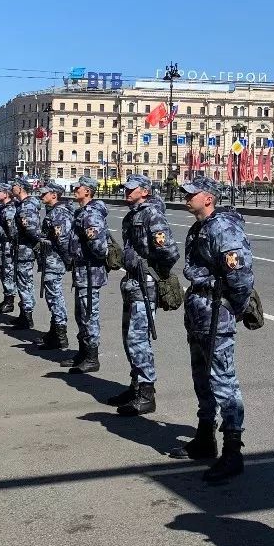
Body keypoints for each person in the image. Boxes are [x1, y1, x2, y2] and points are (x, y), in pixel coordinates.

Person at [173, 174, 254, 482]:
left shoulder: (222, 227)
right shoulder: (200, 227)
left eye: (191, 193)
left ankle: (233, 451)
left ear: (208, 197)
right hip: (199, 311)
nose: (186, 197)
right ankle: (205, 437)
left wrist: (233, 307)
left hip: (215, 310)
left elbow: (241, 275)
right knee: (201, 376)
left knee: (223, 379)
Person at [111, 174, 180, 416]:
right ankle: (135, 385)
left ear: (145, 191)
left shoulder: (152, 214)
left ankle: (146, 393)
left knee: (138, 338)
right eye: (126, 188)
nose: (126, 192)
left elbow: (169, 251)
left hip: (145, 283)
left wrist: (151, 269)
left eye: (132, 189)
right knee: (129, 337)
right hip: (132, 282)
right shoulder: (133, 214)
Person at [61, 175, 109, 372]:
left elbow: (99, 247)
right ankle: (83, 352)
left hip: (90, 271)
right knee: (81, 313)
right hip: (82, 270)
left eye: (78, 188)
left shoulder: (91, 214)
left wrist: (83, 254)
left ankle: (91, 357)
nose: (75, 190)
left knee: (89, 313)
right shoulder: (82, 212)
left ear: (88, 191)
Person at [37, 181, 73, 351]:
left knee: (54, 296)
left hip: (55, 261)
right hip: (50, 259)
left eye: (45, 194)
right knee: (52, 296)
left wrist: (67, 261)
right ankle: (54, 332)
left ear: (54, 195)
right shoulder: (53, 211)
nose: (41, 196)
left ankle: (60, 335)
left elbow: (62, 241)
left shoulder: (59, 213)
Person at [12, 176, 42, 330]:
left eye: (15, 185)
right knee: (22, 282)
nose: (12, 187)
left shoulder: (27, 206)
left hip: (25, 250)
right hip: (21, 249)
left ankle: (27, 316)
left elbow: (32, 231)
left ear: (21, 188)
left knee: (25, 283)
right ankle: (24, 313)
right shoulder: (21, 204)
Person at [0, 185, 18, 315]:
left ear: (6, 194)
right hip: (2, 245)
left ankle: (10, 301)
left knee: (8, 273)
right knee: (3, 272)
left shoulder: (9, 210)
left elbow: (11, 232)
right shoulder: (3, 208)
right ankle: (6, 298)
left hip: (8, 246)